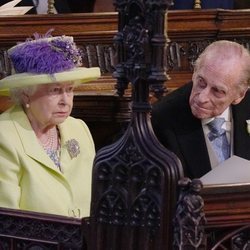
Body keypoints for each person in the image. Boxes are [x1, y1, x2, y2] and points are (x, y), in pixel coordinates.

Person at [0, 30, 100, 218]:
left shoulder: (78, 129)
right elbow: (6, 224)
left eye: (69, 90)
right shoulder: (4, 136)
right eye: (55, 90)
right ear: (25, 94)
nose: (65, 100)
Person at [151, 40, 250, 179]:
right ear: (194, 72)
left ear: (239, 95)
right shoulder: (162, 118)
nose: (202, 97)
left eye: (217, 91)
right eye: (201, 82)